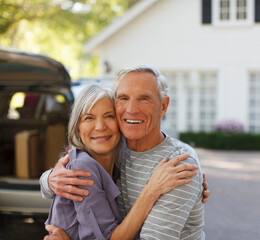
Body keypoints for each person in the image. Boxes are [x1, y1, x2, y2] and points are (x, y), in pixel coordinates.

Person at [40, 65, 208, 239]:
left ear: (163, 106)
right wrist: (50, 179)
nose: (131, 109)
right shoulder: (113, 153)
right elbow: (56, 187)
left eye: (144, 98)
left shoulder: (177, 165)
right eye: (123, 98)